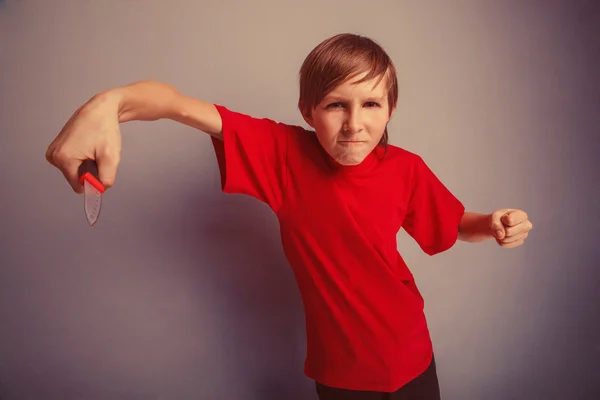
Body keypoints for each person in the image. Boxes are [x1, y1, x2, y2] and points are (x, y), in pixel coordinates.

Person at [45, 33, 533, 399]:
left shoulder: (405, 169)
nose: (355, 124)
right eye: (335, 105)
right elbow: (175, 105)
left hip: (412, 354)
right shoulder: (283, 155)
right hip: (340, 373)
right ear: (307, 109)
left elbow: (451, 224)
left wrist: (490, 223)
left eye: (371, 104)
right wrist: (108, 102)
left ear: (391, 109)